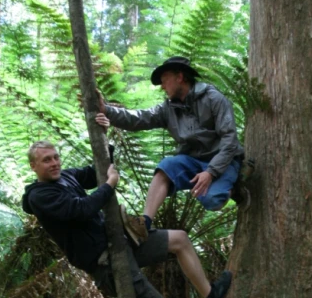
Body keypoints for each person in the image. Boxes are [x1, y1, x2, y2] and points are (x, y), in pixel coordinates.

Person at [22, 141, 233, 298]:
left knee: (179, 239)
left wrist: (106, 142)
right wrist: (110, 185)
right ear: (34, 166)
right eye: (47, 160)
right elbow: (81, 210)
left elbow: (96, 173)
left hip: (120, 240)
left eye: (56, 157)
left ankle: (211, 296)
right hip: (106, 262)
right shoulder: (40, 197)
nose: (54, 163)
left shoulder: (67, 176)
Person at [96, 56, 245, 243]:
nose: (162, 86)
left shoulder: (213, 98)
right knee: (166, 166)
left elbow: (230, 139)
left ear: (179, 77)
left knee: (212, 200)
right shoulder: (168, 108)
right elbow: (139, 118)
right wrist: (106, 110)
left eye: (164, 80)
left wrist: (211, 172)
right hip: (193, 161)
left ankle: (236, 185)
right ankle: (145, 224)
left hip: (224, 160)